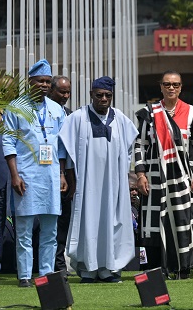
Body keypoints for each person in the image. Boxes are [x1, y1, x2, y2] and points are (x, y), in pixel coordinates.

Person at [58, 77, 139, 283]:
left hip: (114, 185)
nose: (103, 99)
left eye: (107, 95)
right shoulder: (77, 118)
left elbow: (129, 150)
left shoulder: (120, 118)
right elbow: (66, 154)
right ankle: (88, 269)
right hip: (86, 185)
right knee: (88, 222)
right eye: (99, 95)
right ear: (91, 94)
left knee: (113, 222)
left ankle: (110, 268)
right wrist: (69, 178)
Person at [134, 71, 193, 279]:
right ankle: (154, 268)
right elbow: (140, 145)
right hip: (154, 177)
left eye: (175, 84)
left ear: (181, 87)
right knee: (154, 223)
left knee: (182, 220)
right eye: (167, 84)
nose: (171, 88)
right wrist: (140, 174)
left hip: (183, 178)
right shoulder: (150, 112)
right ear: (161, 87)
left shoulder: (192, 112)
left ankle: (182, 267)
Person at [3, 59, 68, 287]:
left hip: (50, 177)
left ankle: (46, 274)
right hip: (26, 177)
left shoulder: (56, 109)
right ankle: (24, 276)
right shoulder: (15, 107)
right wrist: (14, 175)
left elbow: (61, 146)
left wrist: (61, 174)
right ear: (30, 82)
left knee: (50, 231)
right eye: (39, 81)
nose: (43, 85)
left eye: (47, 82)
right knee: (24, 230)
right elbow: (8, 143)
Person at [48, 75, 73, 274]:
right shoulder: (38, 111)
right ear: (51, 90)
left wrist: (66, 176)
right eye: (61, 91)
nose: (65, 95)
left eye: (67, 92)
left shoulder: (70, 116)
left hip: (64, 178)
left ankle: (58, 265)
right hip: (41, 175)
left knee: (62, 223)